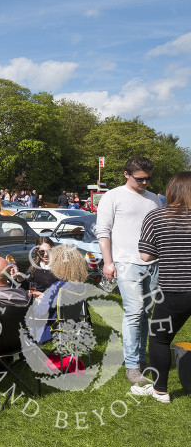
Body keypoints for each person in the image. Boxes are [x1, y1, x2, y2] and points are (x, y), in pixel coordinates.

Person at [96, 156, 161, 384]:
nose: (145, 183)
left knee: (146, 313)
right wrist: (108, 262)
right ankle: (132, 365)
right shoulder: (112, 197)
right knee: (134, 312)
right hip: (125, 263)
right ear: (126, 174)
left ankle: (141, 358)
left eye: (148, 179)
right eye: (140, 179)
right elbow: (103, 231)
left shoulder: (154, 200)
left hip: (153, 264)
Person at [131, 171, 191, 403]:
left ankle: (160, 390)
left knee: (159, 339)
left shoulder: (157, 216)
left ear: (171, 189)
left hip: (173, 290)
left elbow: (145, 255)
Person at [28, 244, 90, 344]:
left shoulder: (58, 287)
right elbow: (58, 301)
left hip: (51, 327)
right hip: (71, 324)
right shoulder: (79, 285)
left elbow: (39, 312)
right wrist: (45, 296)